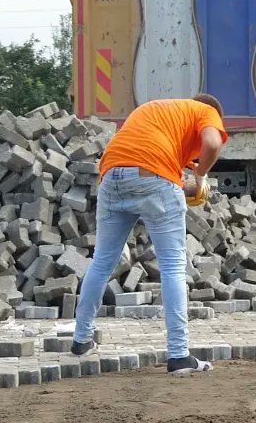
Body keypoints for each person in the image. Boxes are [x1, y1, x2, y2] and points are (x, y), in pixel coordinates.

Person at [71, 94, 229, 375]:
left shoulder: (157, 111)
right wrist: (201, 178)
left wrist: (178, 185)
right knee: (172, 265)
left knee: (103, 260)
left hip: (111, 175)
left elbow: (144, 168)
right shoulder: (207, 110)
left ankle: (81, 339)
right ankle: (179, 356)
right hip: (151, 176)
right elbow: (212, 144)